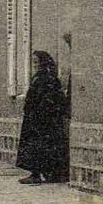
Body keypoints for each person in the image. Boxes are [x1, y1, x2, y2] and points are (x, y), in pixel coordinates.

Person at [16, 50, 69, 184]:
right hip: (36, 118)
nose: (34, 64)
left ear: (43, 62)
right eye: (33, 62)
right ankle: (41, 173)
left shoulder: (47, 78)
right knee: (38, 146)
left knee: (40, 146)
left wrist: (38, 112)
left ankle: (38, 174)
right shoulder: (40, 77)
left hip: (42, 119)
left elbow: (50, 99)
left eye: (36, 62)